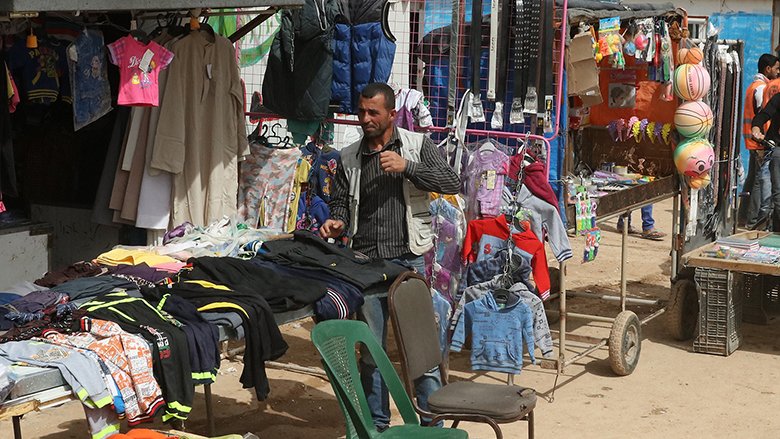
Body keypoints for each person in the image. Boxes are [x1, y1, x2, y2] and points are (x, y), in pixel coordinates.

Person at [320, 82, 461, 431]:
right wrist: (336, 222)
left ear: (392, 114)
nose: (365, 118)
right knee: (371, 354)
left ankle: (433, 427)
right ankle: (378, 427)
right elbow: (340, 201)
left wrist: (407, 167)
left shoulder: (416, 146)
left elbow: (451, 181)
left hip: (408, 263)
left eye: (373, 113)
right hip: (366, 265)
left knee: (421, 352)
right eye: (362, 111)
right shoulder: (349, 155)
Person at [743, 54, 780, 229]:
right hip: (765, 144)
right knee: (765, 185)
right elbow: (763, 114)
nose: (778, 72)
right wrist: (758, 131)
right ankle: (755, 222)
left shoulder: (761, 86)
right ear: (768, 69)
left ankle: (750, 220)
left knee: (757, 181)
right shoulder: (763, 88)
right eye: (777, 68)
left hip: (761, 143)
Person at [751, 79, 780, 231]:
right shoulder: (778, 99)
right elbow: (763, 115)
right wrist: (756, 127)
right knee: (776, 197)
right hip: (776, 150)